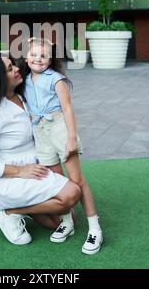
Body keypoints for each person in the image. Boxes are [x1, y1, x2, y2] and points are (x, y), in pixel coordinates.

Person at [0, 56, 81, 246]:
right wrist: (20, 171)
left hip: (35, 169)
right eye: (10, 68)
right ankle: (7, 212)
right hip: (9, 179)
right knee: (71, 193)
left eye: (13, 65)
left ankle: (12, 209)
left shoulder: (24, 95)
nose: (16, 70)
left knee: (66, 218)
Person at [20, 37, 103, 255]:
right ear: (26, 57)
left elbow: (67, 109)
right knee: (57, 182)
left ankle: (95, 228)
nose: (38, 58)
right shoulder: (24, 80)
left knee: (77, 181)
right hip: (40, 133)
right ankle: (67, 222)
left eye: (44, 55)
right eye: (34, 54)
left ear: (50, 60)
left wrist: (71, 138)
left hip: (59, 129)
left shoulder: (56, 79)